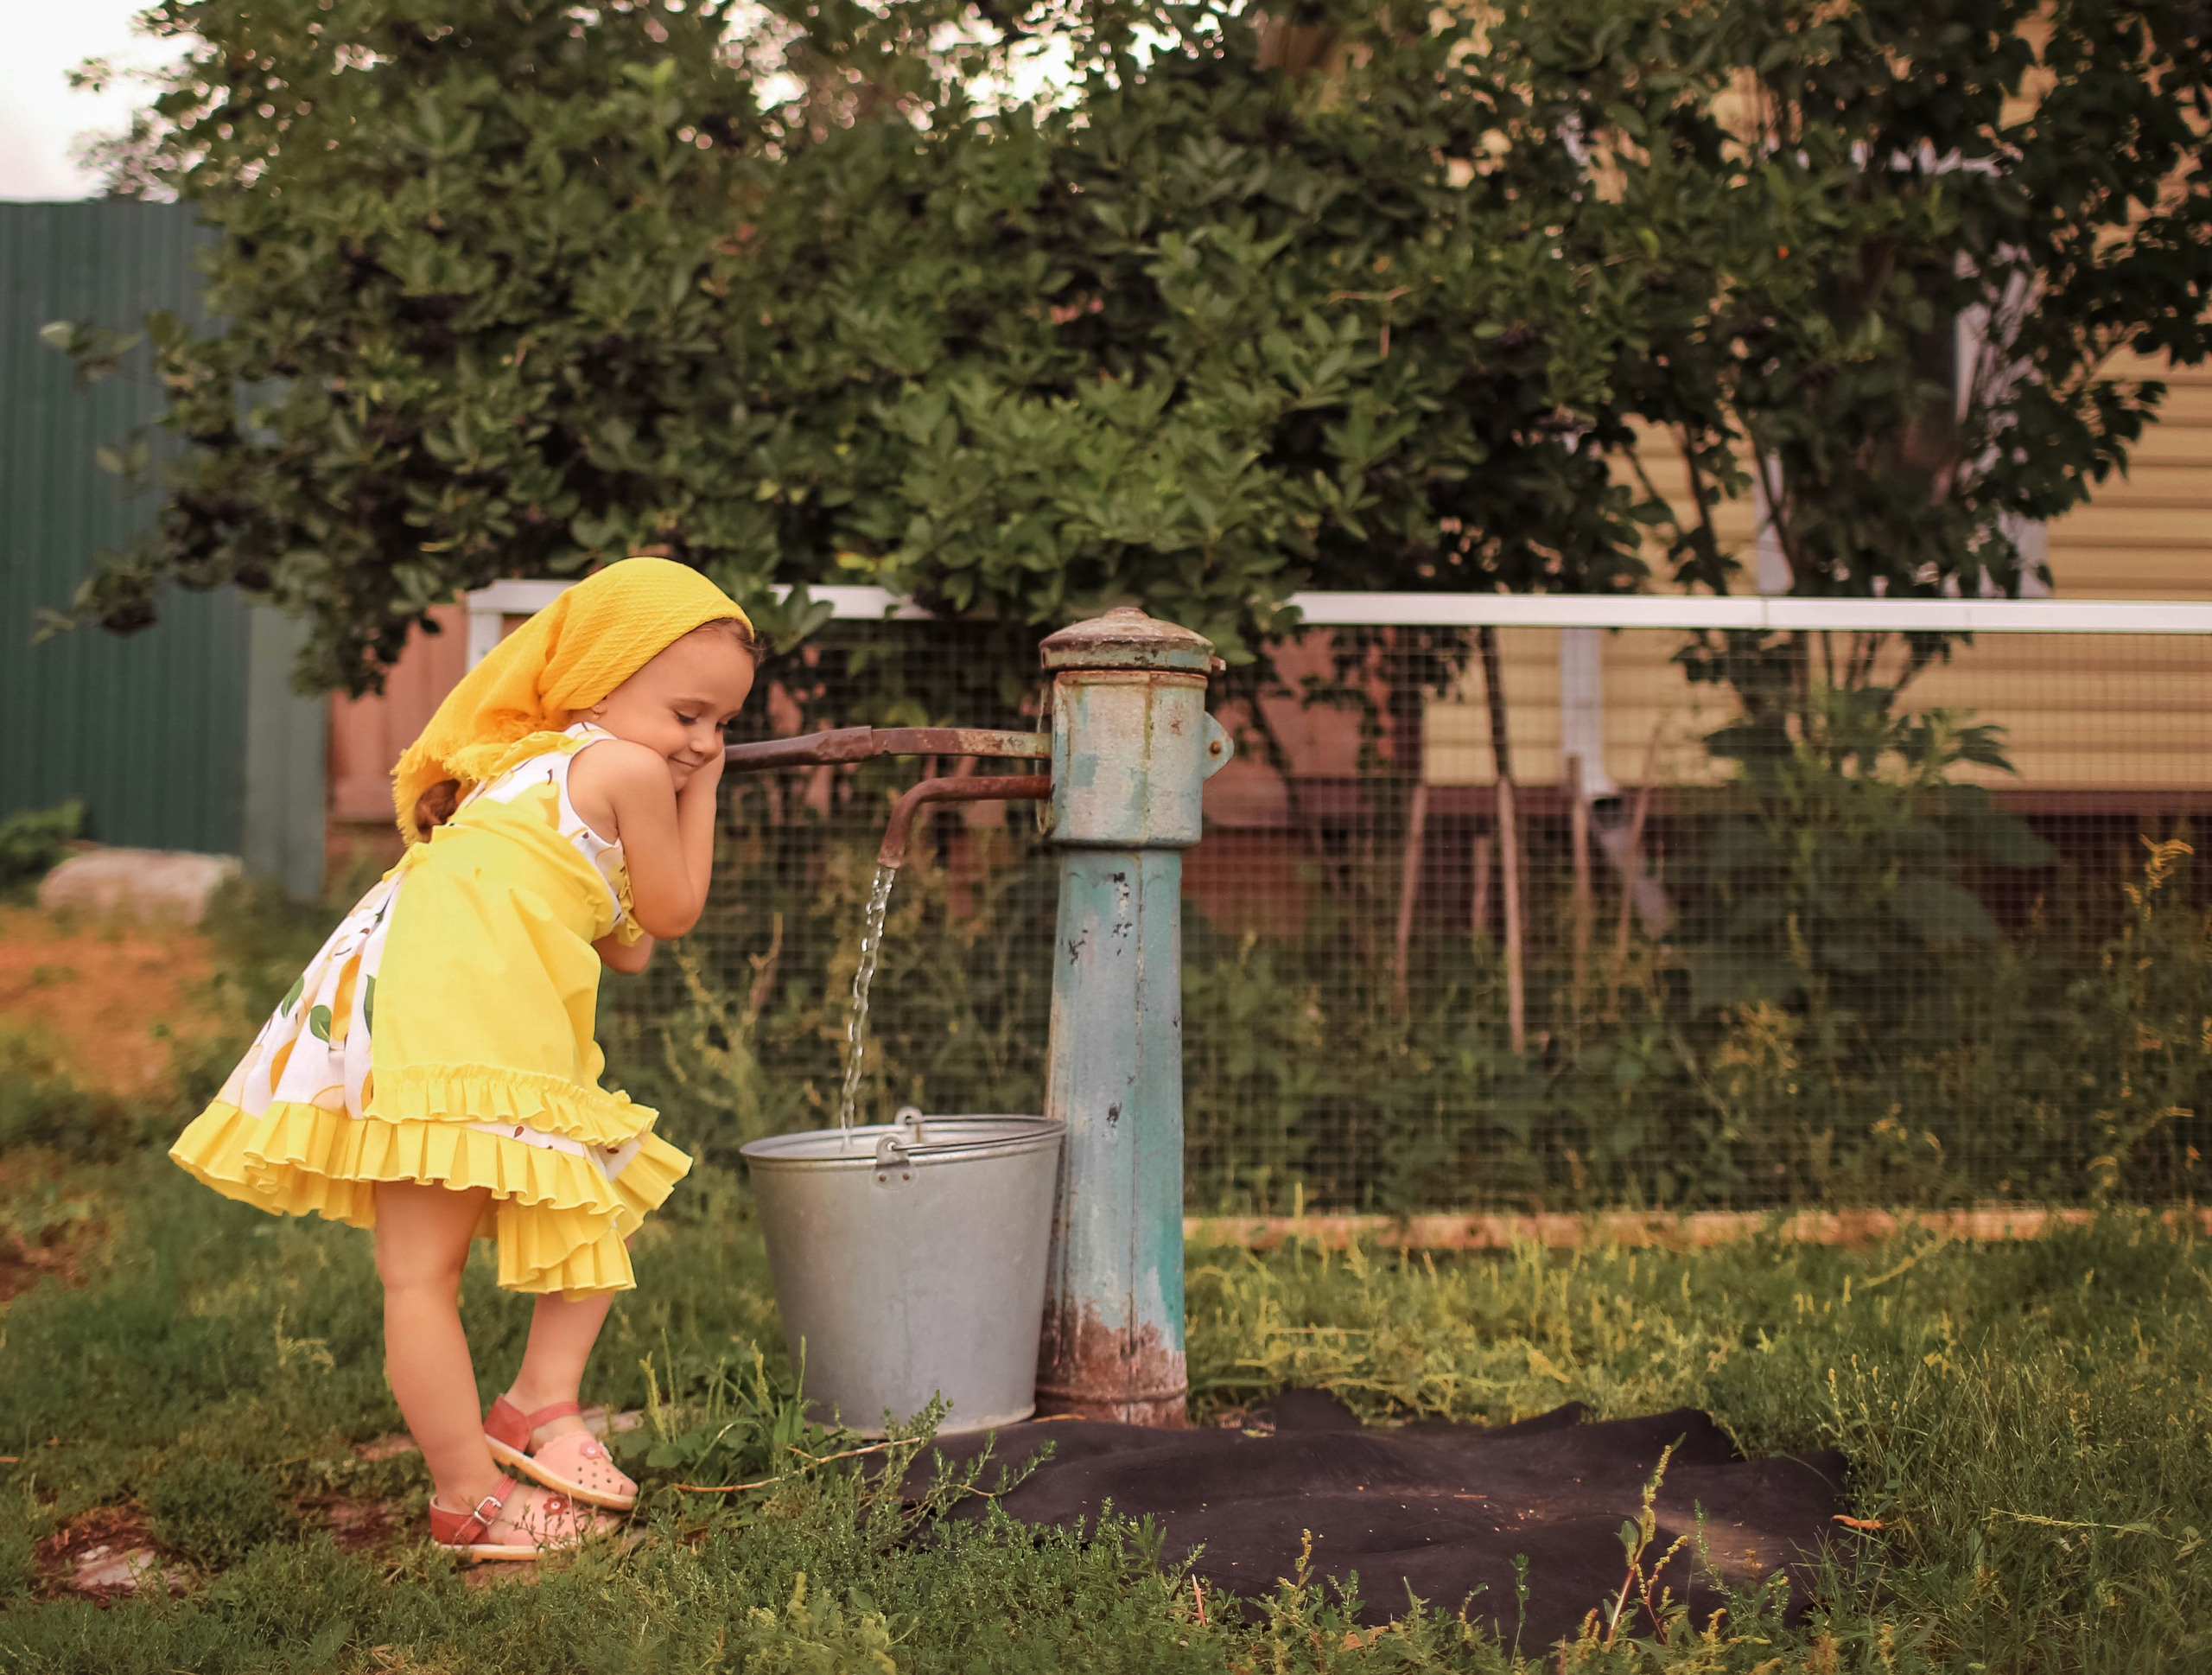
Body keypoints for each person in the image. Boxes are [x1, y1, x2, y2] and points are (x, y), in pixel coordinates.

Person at [171, 557, 757, 1560]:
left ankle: (525, 1418)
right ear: (600, 684)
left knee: (452, 1262)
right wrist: (704, 794)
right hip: (467, 1025)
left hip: (415, 1019)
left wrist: (676, 782)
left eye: (720, 728)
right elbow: (673, 912)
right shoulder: (621, 769)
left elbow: (621, 937)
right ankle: (476, 1488)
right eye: (688, 716)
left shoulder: (527, 768)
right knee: (493, 1249)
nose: (701, 743)